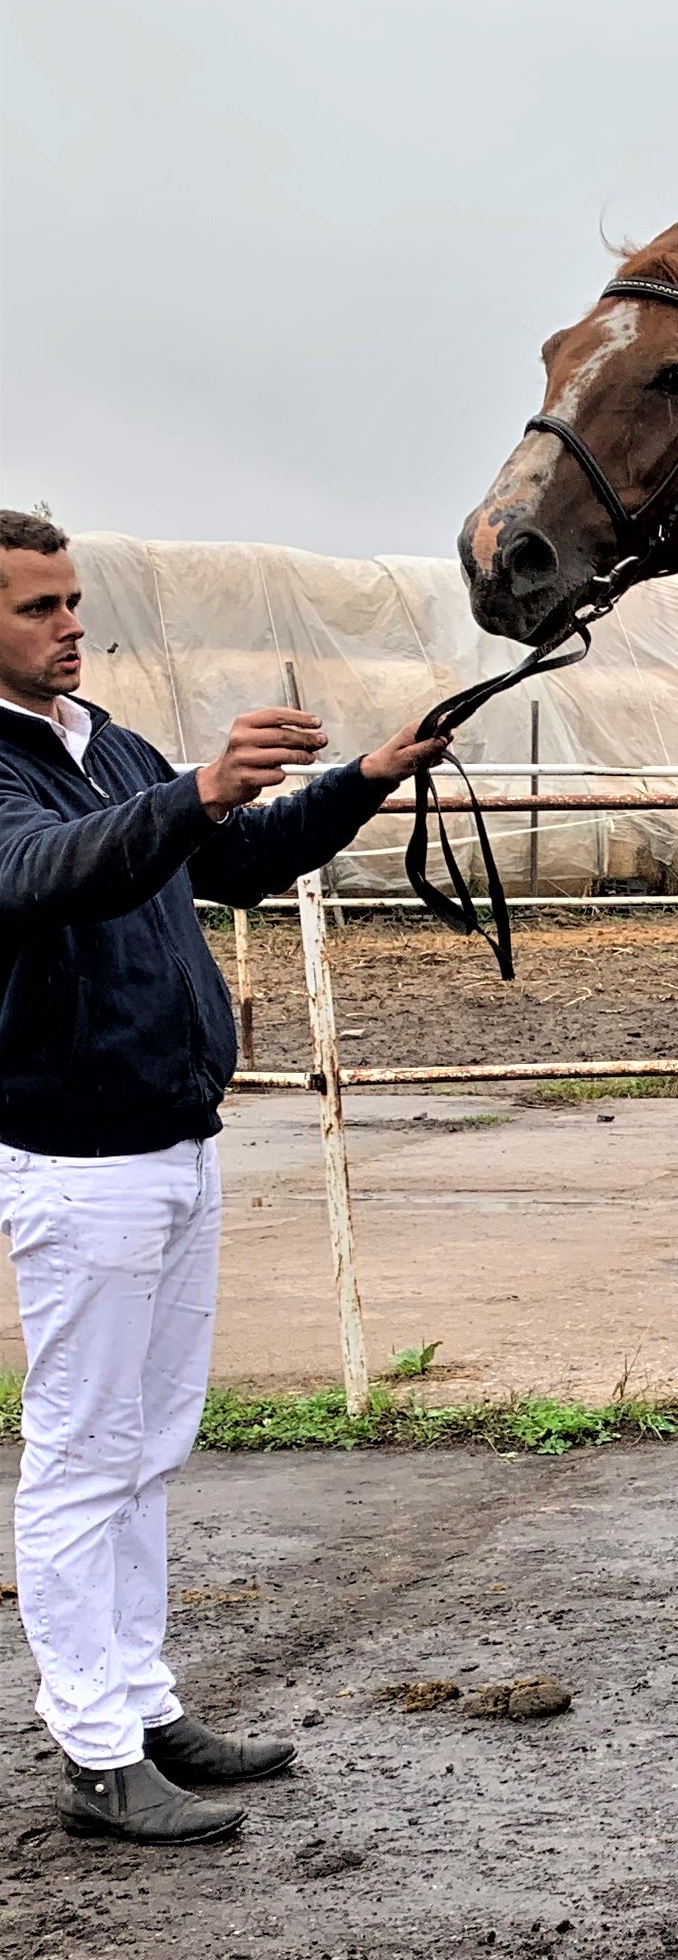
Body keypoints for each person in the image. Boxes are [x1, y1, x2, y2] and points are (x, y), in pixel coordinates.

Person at [0, 511, 447, 1842]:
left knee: (146, 1451)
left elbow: (236, 863)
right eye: (38, 608)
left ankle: (140, 1705)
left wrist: (367, 773)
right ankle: (93, 1746)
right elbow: (42, 874)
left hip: (170, 1146)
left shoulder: (107, 746)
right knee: (85, 1458)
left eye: (74, 600)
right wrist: (194, 787)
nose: (72, 623)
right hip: (80, 1164)